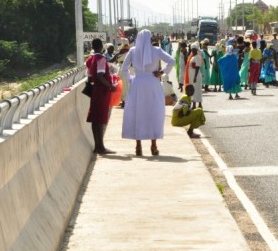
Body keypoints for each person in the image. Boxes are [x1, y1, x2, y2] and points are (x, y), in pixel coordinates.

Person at [121, 29, 175, 157]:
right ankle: (153, 145)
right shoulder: (156, 50)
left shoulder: (133, 51)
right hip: (152, 83)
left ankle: (138, 146)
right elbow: (171, 61)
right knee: (154, 112)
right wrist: (162, 72)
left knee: (137, 112)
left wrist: (132, 79)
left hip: (137, 84)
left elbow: (124, 69)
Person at [85, 38, 117, 155]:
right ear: (101, 47)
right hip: (102, 91)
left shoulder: (90, 59)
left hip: (94, 91)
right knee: (101, 119)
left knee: (95, 119)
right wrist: (111, 85)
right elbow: (99, 75)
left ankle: (97, 146)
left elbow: (89, 76)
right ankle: (101, 147)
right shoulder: (101, 59)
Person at [183, 43, 204, 109]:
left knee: (197, 89)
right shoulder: (192, 56)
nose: (192, 51)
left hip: (196, 75)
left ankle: (198, 104)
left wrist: (195, 77)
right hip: (192, 75)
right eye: (192, 49)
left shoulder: (197, 57)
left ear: (196, 50)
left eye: (194, 49)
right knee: (193, 89)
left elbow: (197, 67)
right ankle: (195, 103)